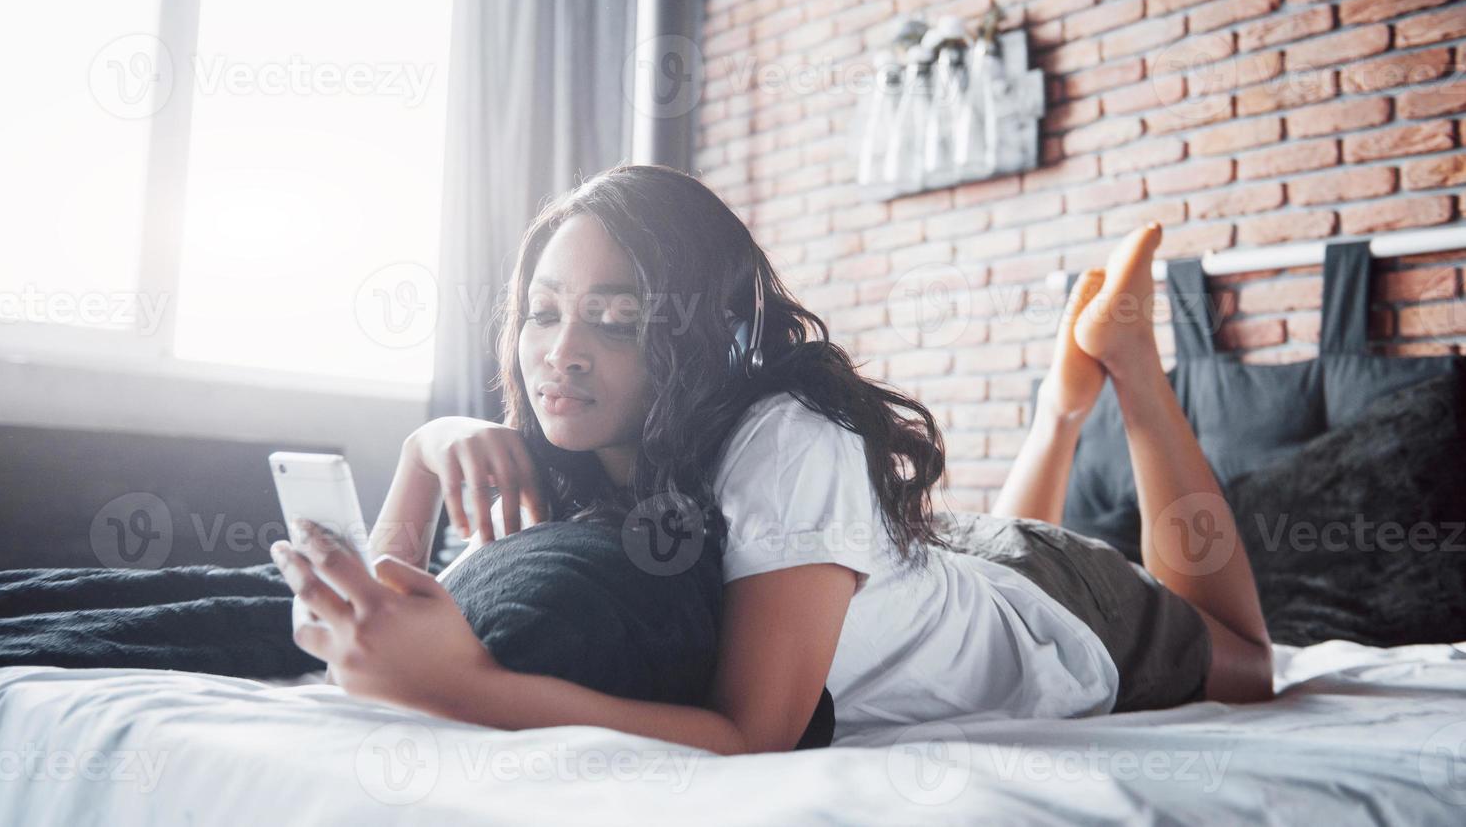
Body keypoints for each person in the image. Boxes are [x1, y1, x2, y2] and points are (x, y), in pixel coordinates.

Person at [270, 163, 1273, 755]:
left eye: (612, 318)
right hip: (913, 566)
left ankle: (1131, 371)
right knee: (971, 551)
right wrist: (417, 450)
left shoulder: (790, 436)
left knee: (1249, 663)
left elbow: (750, 734)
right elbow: (386, 616)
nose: (559, 349)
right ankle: (1058, 407)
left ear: (692, 329)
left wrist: (462, 686)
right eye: (541, 311)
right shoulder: (587, 434)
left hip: (1061, 606)